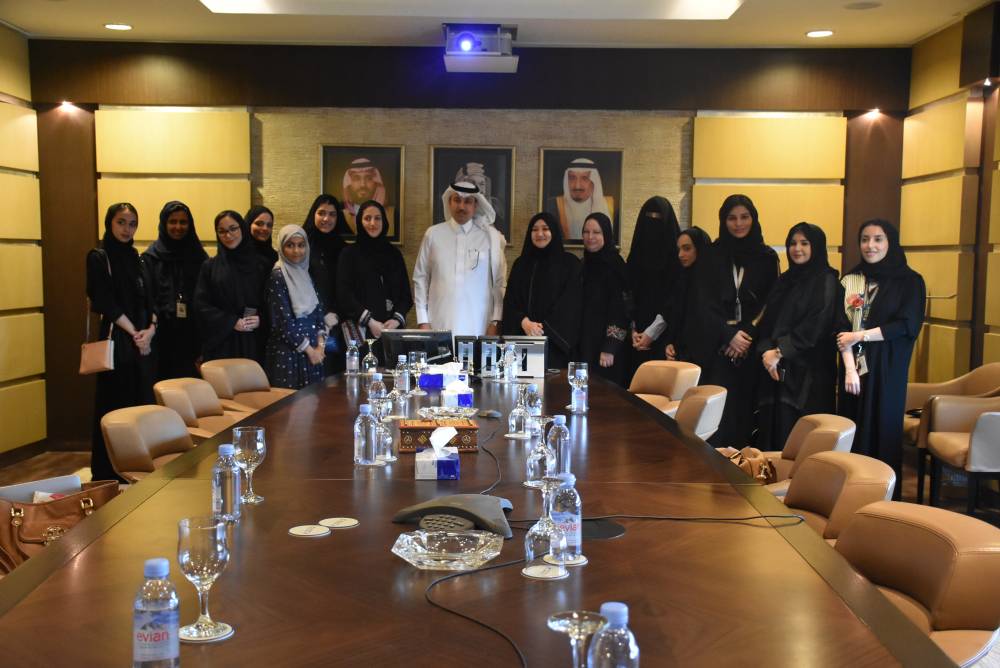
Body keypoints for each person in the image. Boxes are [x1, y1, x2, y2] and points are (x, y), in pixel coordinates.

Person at [837, 219, 925, 499]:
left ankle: (883, 497)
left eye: (878, 239)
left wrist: (860, 337)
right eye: (864, 239)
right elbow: (840, 330)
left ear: (891, 242)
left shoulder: (910, 281)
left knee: (882, 427)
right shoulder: (851, 280)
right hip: (853, 370)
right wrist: (850, 369)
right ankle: (850, 495)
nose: (870, 246)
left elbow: (906, 326)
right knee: (853, 426)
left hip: (888, 369)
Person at [754, 222, 842, 451]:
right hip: (776, 371)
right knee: (773, 434)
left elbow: (817, 324)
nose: (797, 249)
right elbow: (767, 320)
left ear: (817, 247)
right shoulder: (784, 280)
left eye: (804, 243)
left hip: (809, 374)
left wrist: (780, 351)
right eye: (792, 243)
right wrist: (766, 351)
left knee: (802, 438)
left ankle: (803, 486)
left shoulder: (826, 280)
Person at [86, 202, 156, 481]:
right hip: (119, 341)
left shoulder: (137, 258)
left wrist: (150, 330)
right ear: (109, 223)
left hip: (144, 343)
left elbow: (151, 299)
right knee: (115, 406)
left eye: (132, 224)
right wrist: (134, 332)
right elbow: (103, 300)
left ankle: (137, 469)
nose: (127, 229)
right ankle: (109, 473)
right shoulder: (99, 257)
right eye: (121, 222)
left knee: (141, 404)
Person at [710, 194, 780, 446]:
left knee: (747, 414)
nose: (738, 223)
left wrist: (746, 335)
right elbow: (702, 301)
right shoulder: (712, 255)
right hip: (718, 347)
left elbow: (772, 301)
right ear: (723, 221)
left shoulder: (767, 257)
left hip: (752, 348)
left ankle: (746, 474)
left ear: (754, 218)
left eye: (744, 217)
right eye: (731, 218)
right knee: (719, 415)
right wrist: (728, 335)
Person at [412, 181, 507, 337]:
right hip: (438, 323)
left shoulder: (491, 238)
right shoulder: (433, 234)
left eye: (468, 201)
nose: (462, 206)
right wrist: (423, 321)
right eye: (457, 200)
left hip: (480, 325)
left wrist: (495, 321)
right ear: (449, 202)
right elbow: (420, 278)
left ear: (476, 205)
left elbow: (499, 283)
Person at [335, 200, 412, 364]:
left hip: (391, 332)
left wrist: (396, 320)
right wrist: (370, 322)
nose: (372, 223)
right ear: (359, 222)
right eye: (367, 218)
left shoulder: (394, 254)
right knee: (364, 383)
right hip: (362, 332)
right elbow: (344, 295)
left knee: (394, 381)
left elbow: (406, 295)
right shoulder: (349, 254)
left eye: (377, 218)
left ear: (384, 221)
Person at [502, 211, 582, 368]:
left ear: (554, 231)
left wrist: (543, 330)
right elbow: (510, 300)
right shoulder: (521, 264)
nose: (540, 234)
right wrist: (523, 322)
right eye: (534, 229)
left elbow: (571, 304)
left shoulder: (570, 264)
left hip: (556, 347)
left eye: (545, 229)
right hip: (522, 340)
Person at [142, 200, 208, 380]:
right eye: (172, 221)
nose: (178, 227)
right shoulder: (151, 258)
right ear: (164, 223)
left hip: (192, 335)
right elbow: (147, 297)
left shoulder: (199, 256)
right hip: (160, 334)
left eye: (183, 222)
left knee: (191, 388)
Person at [194, 210, 269, 362]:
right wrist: (231, 322)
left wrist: (261, 319)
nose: (228, 236)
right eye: (222, 231)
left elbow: (272, 301)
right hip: (222, 343)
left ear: (242, 228)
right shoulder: (210, 267)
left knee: (254, 385)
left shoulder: (262, 265)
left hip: (253, 341)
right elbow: (201, 305)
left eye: (233, 229)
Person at [626, 196, 682, 382]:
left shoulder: (677, 262)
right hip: (634, 341)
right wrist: (633, 330)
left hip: (666, 340)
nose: (653, 224)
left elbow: (675, 301)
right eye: (649, 218)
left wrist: (652, 332)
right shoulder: (635, 259)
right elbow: (628, 294)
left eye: (658, 218)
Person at [264, 225, 327, 389]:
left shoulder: (305, 273)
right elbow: (282, 323)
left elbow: (318, 313)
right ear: (281, 247)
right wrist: (310, 351)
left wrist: (320, 346)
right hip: (289, 356)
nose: (296, 251)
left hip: (313, 355)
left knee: (314, 407)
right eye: (290, 245)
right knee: (291, 410)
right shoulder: (278, 276)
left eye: (301, 245)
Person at [663, 227, 727, 376]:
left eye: (687, 249)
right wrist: (670, 343)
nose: (680, 255)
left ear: (700, 249)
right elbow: (676, 319)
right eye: (678, 249)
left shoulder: (713, 282)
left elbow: (711, 321)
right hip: (681, 358)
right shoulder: (681, 279)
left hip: (709, 361)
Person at [578, 212, 629, 385]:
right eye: (586, 232)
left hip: (605, 350)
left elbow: (621, 308)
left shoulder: (615, 265)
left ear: (606, 234)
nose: (590, 237)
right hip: (585, 343)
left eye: (596, 232)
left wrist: (610, 346)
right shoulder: (583, 264)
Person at [303, 194, 346, 373]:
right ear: (314, 214)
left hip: (335, 324)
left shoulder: (344, 249)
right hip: (305, 323)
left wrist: (334, 313)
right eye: (321, 213)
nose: (326, 219)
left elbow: (346, 287)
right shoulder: (301, 245)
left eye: (332, 214)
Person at [548, 158, 614, 240]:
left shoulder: (610, 205)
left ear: (594, 182)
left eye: (584, 178)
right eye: (572, 178)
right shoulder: (553, 205)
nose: (577, 186)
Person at [341, 158, 395, 234]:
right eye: (356, 178)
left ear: (377, 183)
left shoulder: (393, 214)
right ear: (348, 183)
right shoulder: (340, 215)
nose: (363, 185)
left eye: (369, 178)